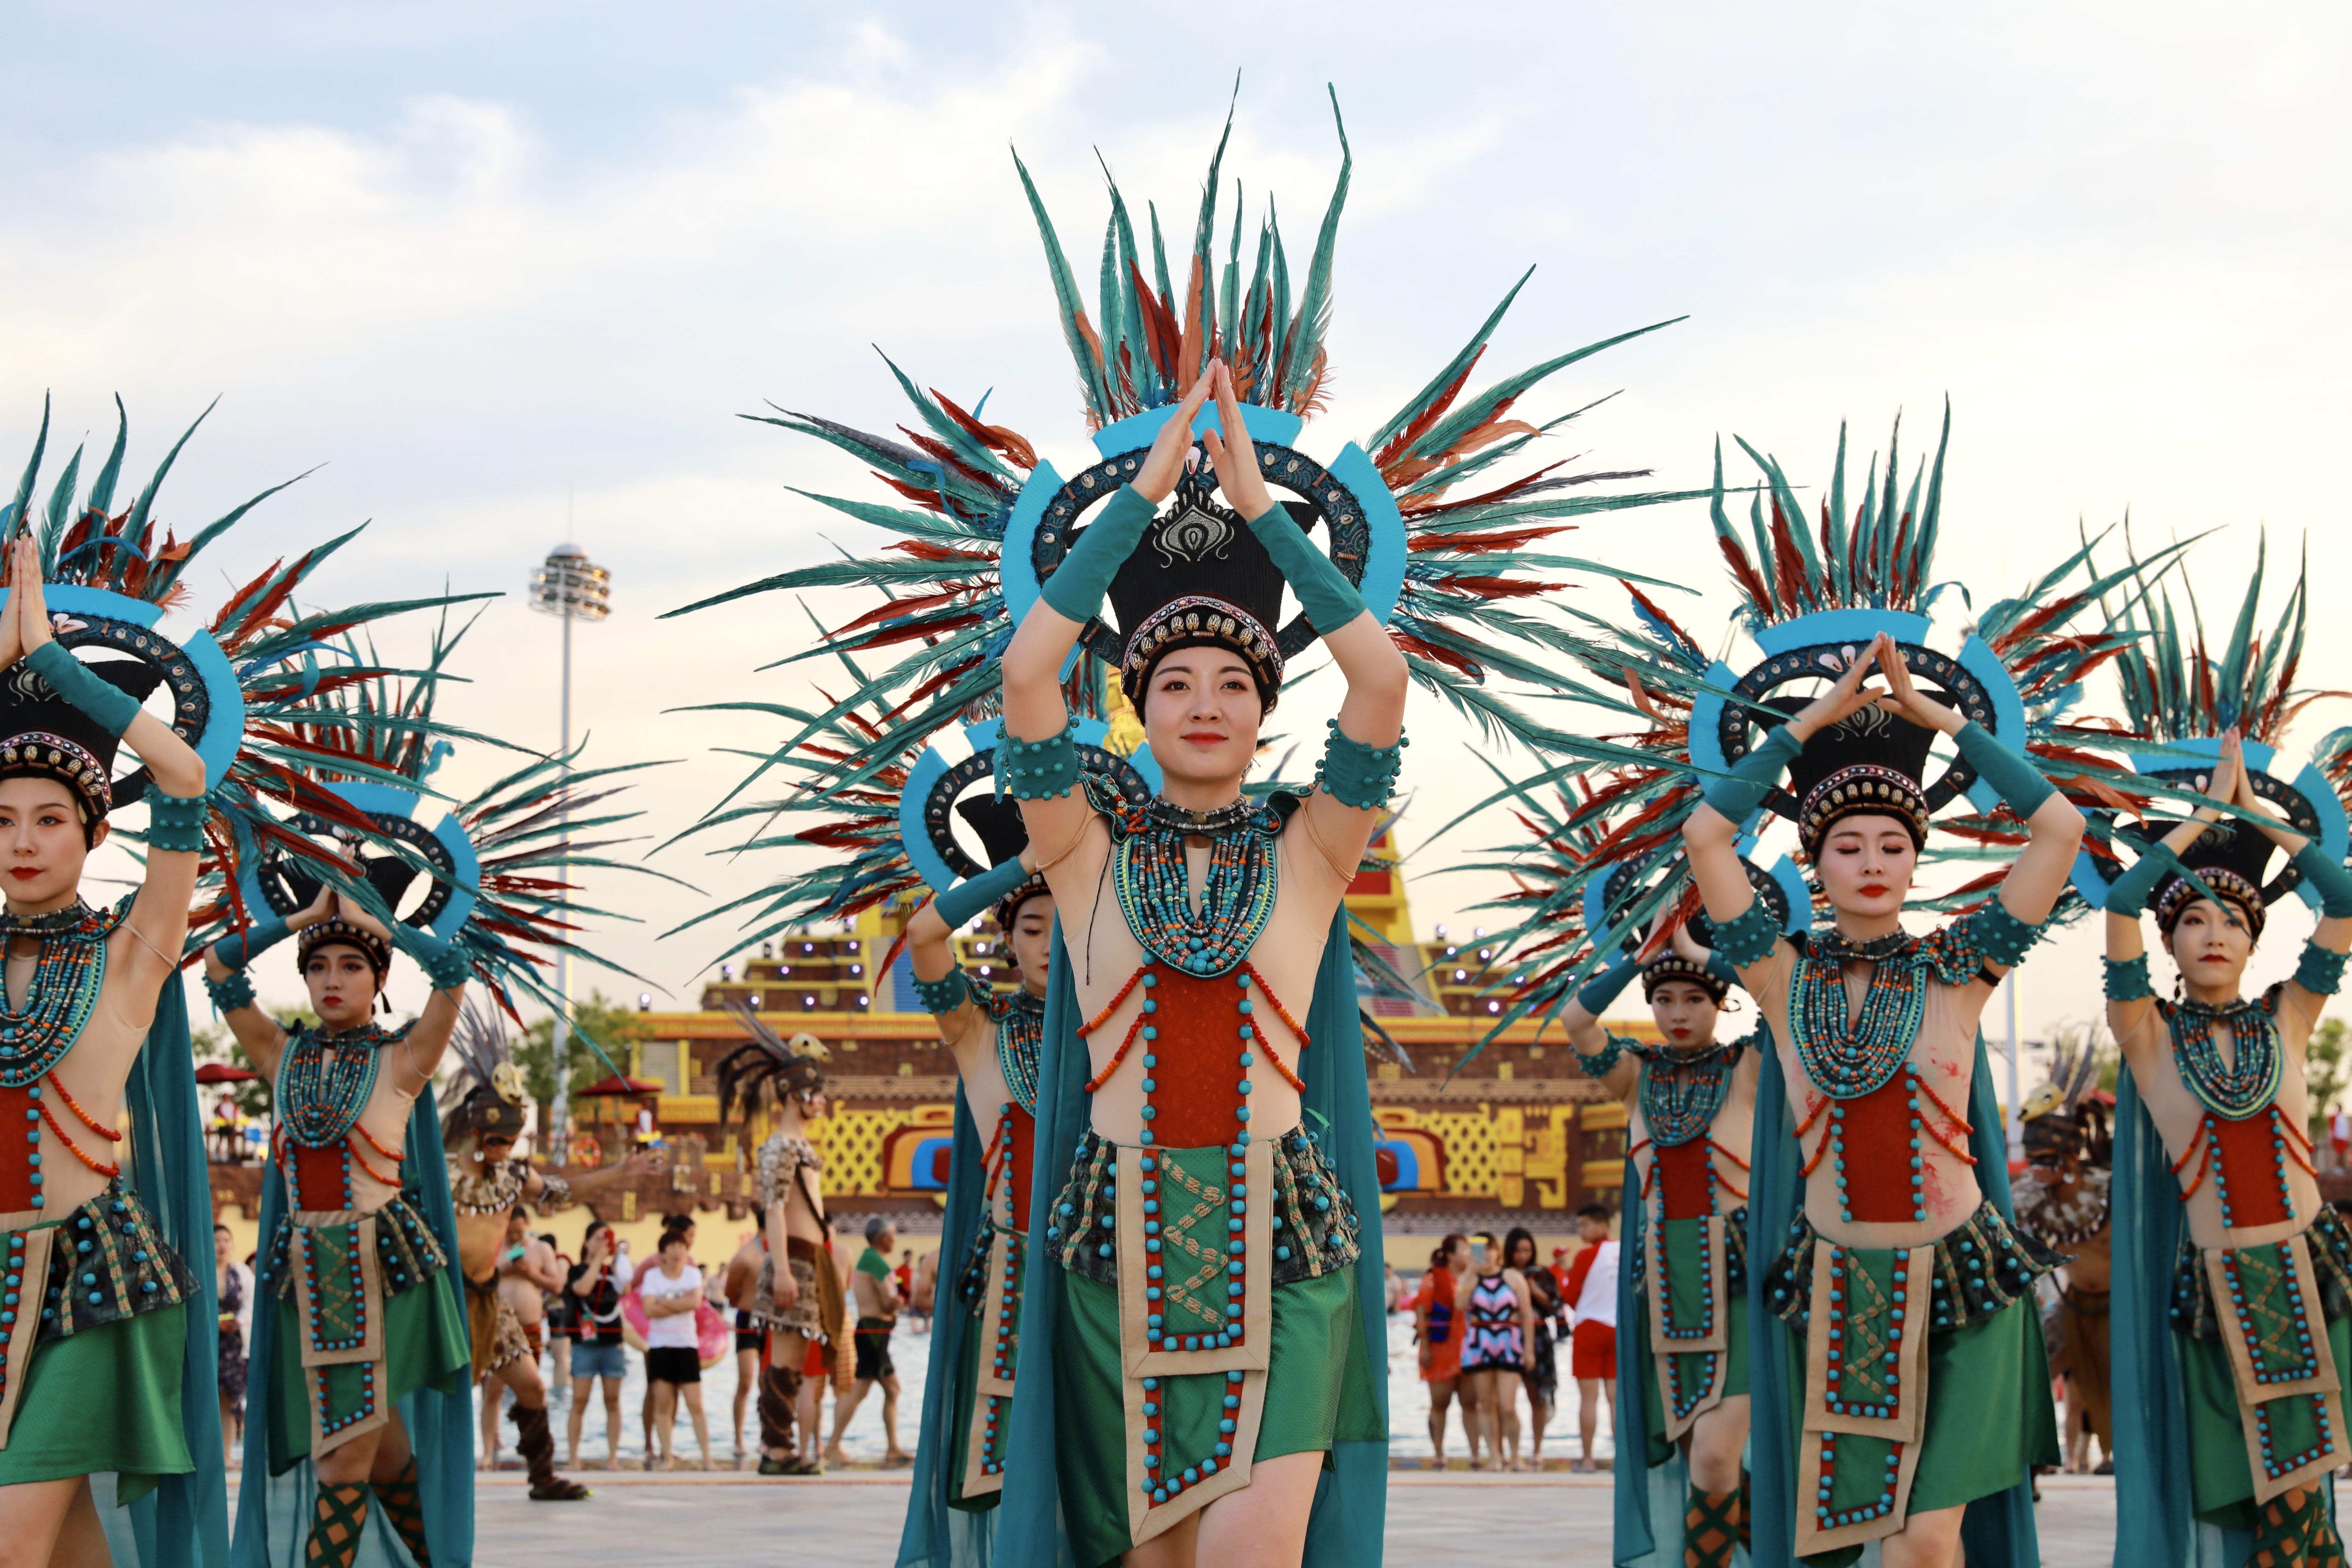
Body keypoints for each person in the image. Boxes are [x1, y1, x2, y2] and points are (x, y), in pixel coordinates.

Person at [1000, 362, 1397, 1566]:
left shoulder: (1314, 848)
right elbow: (1027, 679)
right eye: (1174, 682)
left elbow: (1378, 682)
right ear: (1136, 705)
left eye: (1234, 682)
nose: (1205, 702)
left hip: (1283, 1252)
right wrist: (1139, 499)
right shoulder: (1080, 851)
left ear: (1267, 708)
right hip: (1111, 1253)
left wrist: (1265, 513)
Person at [1686, 628, 2080, 1566]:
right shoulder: (1779, 978)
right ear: (1814, 865)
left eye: (1893, 844)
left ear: (1915, 860)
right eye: (1847, 844)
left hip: (1968, 1286)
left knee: (1928, 1545)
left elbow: (2058, 829)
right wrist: (1807, 724)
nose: (1871, 860)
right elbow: (1708, 835)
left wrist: (1944, 724)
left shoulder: (1959, 970)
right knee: (1855, 1545)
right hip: (1845, 1290)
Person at [0, 537, 220, 1562]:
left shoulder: (131, 951)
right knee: (66, 1542)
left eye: (51, 819)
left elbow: (180, 775)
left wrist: (49, 665)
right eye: (0, 820)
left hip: (88, 1280)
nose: (24, 842)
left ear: (92, 835)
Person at [2105, 728, 2352, 1563]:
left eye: (2234, 921)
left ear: (2255, 940)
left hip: (2311, 1273)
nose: (2214, 933)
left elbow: (2344, 900)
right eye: (2193, 920)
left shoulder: (2291, 1013)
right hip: (2215, 1289)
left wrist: (2256, 816)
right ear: (2168, 943)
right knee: (2239, 1505)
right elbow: (2118, 903)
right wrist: (2195, 824)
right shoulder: (2145, 1031)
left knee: (2301, 1494)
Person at [205, 884, 481, 1564]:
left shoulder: (405, 1059)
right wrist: (302, 916)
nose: (333, 980)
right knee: (381, 1456)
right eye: (318, 966)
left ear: (379, 977)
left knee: (342, 1466)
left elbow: (453, 972)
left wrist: (373, 921)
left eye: (352, 965)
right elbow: (218, 970)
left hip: (375, 1275)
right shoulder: (282, 1055)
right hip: (307, 1279)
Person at [1556, 896, 1764, 1548]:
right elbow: (1577, 1020)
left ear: (1720, 1002)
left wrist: (1697, 950)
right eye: (1664, 998)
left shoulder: (1751, 1069)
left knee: (1712, 1456)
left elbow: (1781, 1000)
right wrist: (1636, 957)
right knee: (1703, 1460)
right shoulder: (1633, 1075)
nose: (1677, 1013)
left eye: (1694, 999)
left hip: (1739, 1285)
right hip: (1663, 1293)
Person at [441, 1018, 644, 1503]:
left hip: (490, 1301)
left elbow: (565, 1189)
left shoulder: (514, 1175)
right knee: (432, 1398)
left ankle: (543, 1474)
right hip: (442, 1298)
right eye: (496, 1141)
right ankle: (413, 1477)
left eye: (509, 1142)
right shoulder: (441, 1170)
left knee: (531, 1384)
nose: (503, 1150)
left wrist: (621, 1169)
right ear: (476, 1129)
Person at [714, 1016, 850, 1475]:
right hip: (791, 1259)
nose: (823, 1101)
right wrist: (784, 1269)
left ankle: (779, 1447)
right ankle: (775, 1449)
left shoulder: (797, 1144)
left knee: (792, 1362)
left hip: (809, 1259)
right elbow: (772, 1208)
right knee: (786, 1360)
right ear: (796, 1094)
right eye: (817, 1093)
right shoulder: (779, 1146)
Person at [2015, 1039, 2112, 1474]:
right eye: (2031, 1159)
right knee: (2029, 1369)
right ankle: (2026, 1459)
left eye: (2044, 1160)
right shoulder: (2029, 1197)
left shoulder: (2111, 1190)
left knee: (2121, 1385)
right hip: (2071, 1305)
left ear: (2069, 1156)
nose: (2034, 1168)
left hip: (2118, 1312)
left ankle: (2118, 1455)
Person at [479, 1206, 566, 1470]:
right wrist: (502, 1270)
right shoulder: (492, 1245)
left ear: (527, 1225)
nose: (514, 1235)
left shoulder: (541, 1249)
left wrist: (531, 1274)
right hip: (499, 1325)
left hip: (529, 1326)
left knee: (532, 1391)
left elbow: (556, 1285)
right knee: (492, 1391)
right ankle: (487, 1450)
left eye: (519, 1231)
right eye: (510, 1231)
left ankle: (532, 1450)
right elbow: (477, 1281)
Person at [829, 1216, 908, 1467]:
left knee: (883, 1389)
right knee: (865, 1390)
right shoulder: (874, 1261)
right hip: (872, 1332)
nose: (895, 1240)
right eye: (894, 1235)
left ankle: (892, 1446)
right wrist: (901, 1300)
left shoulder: (870, 1260)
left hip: (875, 1333)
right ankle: (833, 1444)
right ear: (884, 1237)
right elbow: (887, 1301)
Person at [1456, 1235, 1531, 1471]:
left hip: (1509, 1346)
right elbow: (1459, 1304)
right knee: (1485, 1403)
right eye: (1479, 1250)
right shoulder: (1470, 1278)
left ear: (1498, 1252)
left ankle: (1516, 1455)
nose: (1485, 1255)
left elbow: (1527, 1315)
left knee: (1508, 1405)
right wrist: (1470, 1271)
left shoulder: (1513, 1277)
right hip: (1480, 1347)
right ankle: (1495, 1456)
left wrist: (1529, 1350)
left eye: (1489, 1249)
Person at [640, 1227, 713, 1471]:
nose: (677, 1251)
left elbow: (694, 1302)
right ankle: (667, 1456)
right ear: (662, 1252)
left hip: (686, 1344)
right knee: (663, 1404)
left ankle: (707, 1457)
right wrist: (679, 1305)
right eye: (671, 1247)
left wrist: (665, 1303)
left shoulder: (692, 1274)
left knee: (696, 1404)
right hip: (660, 1345)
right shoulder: (652, 1276)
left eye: (681, 1247)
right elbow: (649, 1309)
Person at [565, 1220, 634, 1470]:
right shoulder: (576, 1270)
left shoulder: (613, 1270)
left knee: (613, 1399)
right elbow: (582, 1289)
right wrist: (597, 1260)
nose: (602, 1243)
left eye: (606, 1239)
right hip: (584, 1344)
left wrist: (621, 1260)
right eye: (597, 1238)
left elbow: (626, 1289)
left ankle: (613, 1456)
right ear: (585, 1242)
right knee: (579, 1400)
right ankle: (574, 1457)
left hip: (612, 1342)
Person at [1562, 1207, 1619, 1475]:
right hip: (1617, 1329)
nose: (1581, 1231)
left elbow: (1571, 1295)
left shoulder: (1586, 1256)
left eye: (1584, 1225)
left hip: (1589, 1328)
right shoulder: (1626, 1250)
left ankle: (1587, 1458)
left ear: (1601, 1224)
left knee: (1588, 1398)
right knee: (1615, 1398)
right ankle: (1622, 1458)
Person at [1501, 1229, 1561, 1468]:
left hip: (1539, 1341)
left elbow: (1555, 1306)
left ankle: (1537, 1449)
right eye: (1517, 1251)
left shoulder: (1542, 1273)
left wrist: (1532, 1288)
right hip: (1506, 1340)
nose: (1522, 1256)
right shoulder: (1502, 1274)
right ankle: (1506, 1450)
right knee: (1504, 1400)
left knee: (1538, 1396)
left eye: (1527, 1250)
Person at [1413, 1235, 1472, 1467]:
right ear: (1451, 1255)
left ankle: (1475, 1454)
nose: (1469, 1254)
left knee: (1471, 1404)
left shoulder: (1475, 1278)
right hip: (1440, 1350)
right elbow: (1421, 1312)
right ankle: (1439, 1453)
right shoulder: (1432, 1279)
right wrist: (1425, 1347)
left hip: (1469, 1350)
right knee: (1439, 1404)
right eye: (1465, 1250)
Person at [724, 1231, 764, 1464]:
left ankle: (766, 1436)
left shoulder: (780, 1251)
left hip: (771, 1320)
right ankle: (739, 1438)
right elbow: (730, 1292)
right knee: (746, 1380)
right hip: (749, 1319)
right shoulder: (747, 1255)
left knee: (769, 1382)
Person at [217, 1224, 254, 1473]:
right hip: (209, 1341)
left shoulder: (240, 1271)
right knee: (209, 1396)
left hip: (233, 1343)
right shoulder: (201, 1270)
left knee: (232, 1399)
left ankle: (227, 1453)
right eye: (217, 1240)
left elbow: (251, 1303)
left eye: (226, 1240)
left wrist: (238, 1321)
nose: (222, 1245)